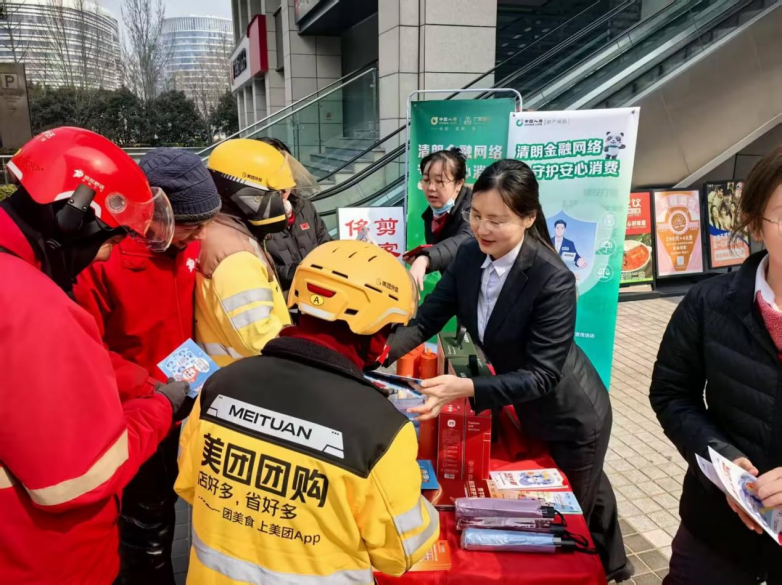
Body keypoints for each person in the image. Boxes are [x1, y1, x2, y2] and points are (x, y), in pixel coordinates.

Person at [387, 159, 630, 581]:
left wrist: (467, 387)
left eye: (497, 221)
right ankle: (617, 565)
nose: (482, 229)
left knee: (566, 516)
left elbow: (543, 376)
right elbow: (426, 321)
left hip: (570, 415)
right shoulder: (469, 255)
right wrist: (373, 356)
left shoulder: (551, 278)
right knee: (593, 493)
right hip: (522, 405)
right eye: (476, 216)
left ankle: (601, 572)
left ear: (529, 217)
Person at [175, 239, 438, 583]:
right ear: (376, 336)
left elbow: (189, 486)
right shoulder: (379, 429)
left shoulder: (220, 386)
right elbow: (401, 551)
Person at [0, 127, 191, 584]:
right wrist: (159, 409)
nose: (104, 257)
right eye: (109, 239)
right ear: (73, 217)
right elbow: (81, 477)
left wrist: (142, 383)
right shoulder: (33, 304)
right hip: (46, 560)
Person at [73, 148, 222, 584]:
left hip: (179, 403)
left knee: (174, 509)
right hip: (133, 410)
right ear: (155, 213)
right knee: (143, 527)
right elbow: (85, 350)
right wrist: (148, 387)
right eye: (191, 224)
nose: (201, 234)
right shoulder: (101, 260)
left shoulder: (189, 248)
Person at [650, 147, 782, 584]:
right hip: (716, 534)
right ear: (756, 222)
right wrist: (723, 463)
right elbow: (672, 394)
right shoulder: (710, 302)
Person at [197, 139, 292, 366]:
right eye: (278, 193)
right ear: (251, 196)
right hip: (249, 374)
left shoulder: (221, 230)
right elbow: (258, 340)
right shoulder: (236, 256)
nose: (286, 200)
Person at [258, 137, 332, 295]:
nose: (284, 188)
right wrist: (300, 272)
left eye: (286, 172)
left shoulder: (304, 206)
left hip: (318, 295)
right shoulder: (251, 218)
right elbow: (261, 270)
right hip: (283, 301)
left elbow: (326, 244)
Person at [403, 147, 474, 290]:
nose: (431, 188)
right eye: (426, 180)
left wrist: (426, 259)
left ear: (459, 184)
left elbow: (465, 239)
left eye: (439, 181)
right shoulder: (431, 214)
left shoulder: (474, 207)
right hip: (456, 286)